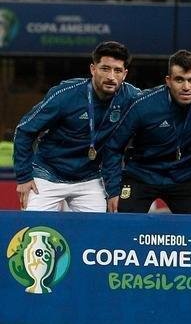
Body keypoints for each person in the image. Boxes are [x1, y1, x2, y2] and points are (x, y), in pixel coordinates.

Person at [14, 42, 140, 212]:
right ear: (93, 69)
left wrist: (114, 190)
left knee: (99, 227)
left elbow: (154, 108)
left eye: (117, 70)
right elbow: (24, 130)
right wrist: (24, 177)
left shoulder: (130, 97)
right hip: (48, 173)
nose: (111, 76)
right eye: (105, 69)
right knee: (34, 225)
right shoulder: (66, 95)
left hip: (89, 178)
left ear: (125, 74)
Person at [104, 50, 191, 213]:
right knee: (123, 221)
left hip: (184, 178)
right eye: (179, 80)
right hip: (141, 176)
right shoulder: (143, 106)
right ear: (168, 81)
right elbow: (113, 147)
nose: (186, 87)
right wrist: (113, 190)